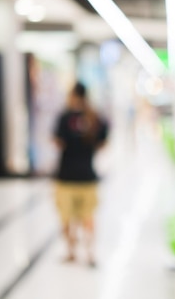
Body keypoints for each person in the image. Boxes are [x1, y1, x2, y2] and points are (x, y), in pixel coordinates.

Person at [53, 82, 108, 267]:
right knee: (88, 217)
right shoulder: (94, 117)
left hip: (66, 175)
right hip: (88, 175)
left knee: (67, 218)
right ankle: (90, 254)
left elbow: (57, 142)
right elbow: (103, 142)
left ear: (73, 95)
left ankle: (71, 252)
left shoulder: (64, 117)